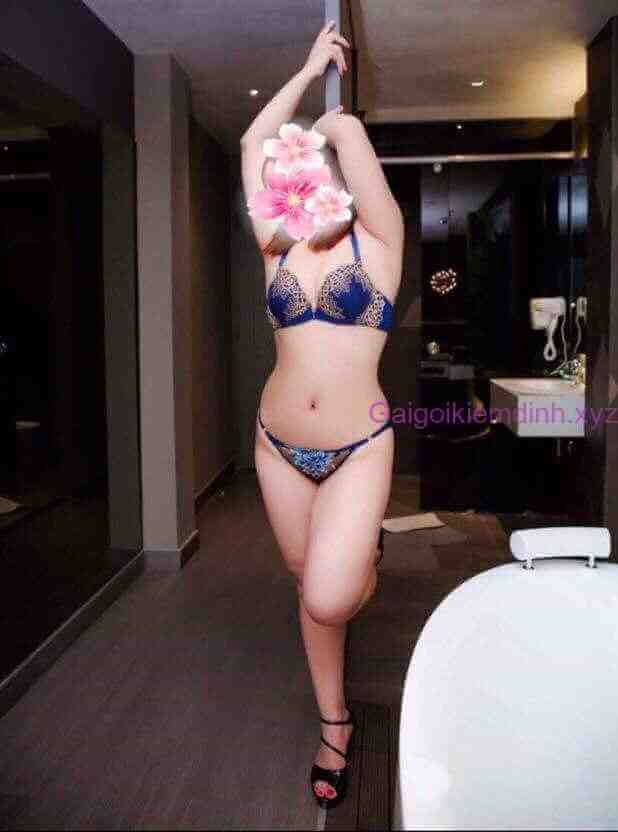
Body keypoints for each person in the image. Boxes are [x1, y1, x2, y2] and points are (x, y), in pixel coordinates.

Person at [240, 20, 404, 810]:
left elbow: (349, 142)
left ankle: (364, 555)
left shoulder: (381, 241)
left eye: (314, 169)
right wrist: (307, 71)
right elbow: (253, 141)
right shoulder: (276, 245)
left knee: (332, 596)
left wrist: (335, 118)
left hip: (358, 445)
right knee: (309, 586)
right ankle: (334, 723)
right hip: (277, 444)